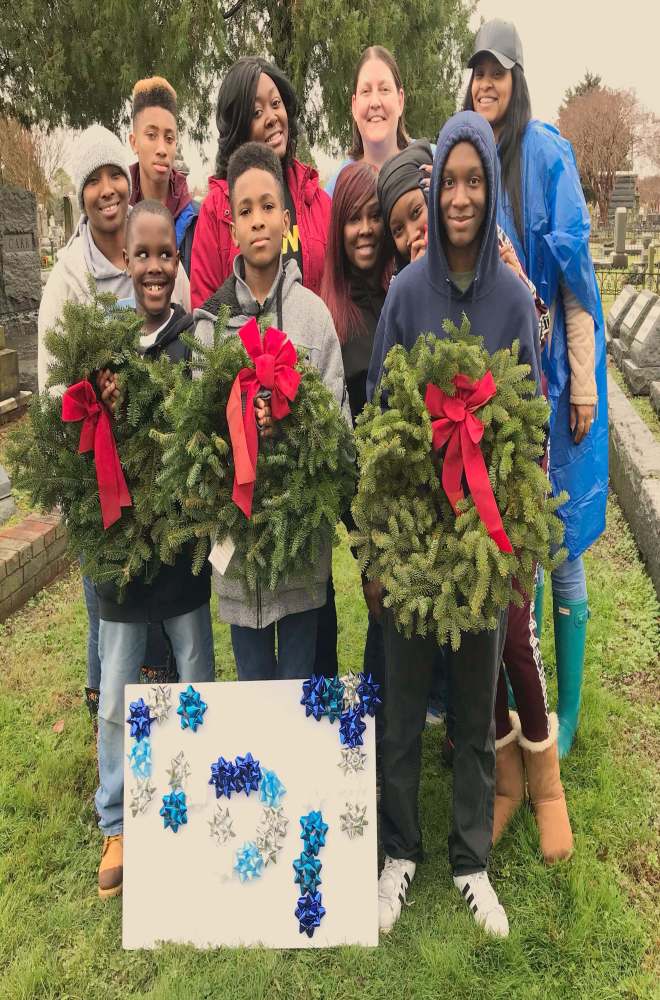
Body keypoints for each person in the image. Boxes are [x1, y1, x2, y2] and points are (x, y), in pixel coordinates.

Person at [366, 111, 542, 938]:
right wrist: (376, 547)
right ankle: (398, 852)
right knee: (402, 710)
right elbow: (379, 425)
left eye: (476, 181)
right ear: (432, 197)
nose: (462, 198)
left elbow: (530, 427)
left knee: (474, 708)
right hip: (410, 549)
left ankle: (471, 859)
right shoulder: (405, 295)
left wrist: (517, 552)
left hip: (481, 551)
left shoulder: (512, 301)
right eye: (450, 185)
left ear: (491, 190)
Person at [464, 19, 608, 758]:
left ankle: (569, 715)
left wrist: (581, 384)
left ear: (517, 78)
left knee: (564, 545)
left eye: (499, 71)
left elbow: (578, 285)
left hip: (552, 382)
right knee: (510, 546)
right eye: (477, 71)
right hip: (493, 396)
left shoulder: (546, 155)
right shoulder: (469, 163)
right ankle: (523, 701)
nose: (486, 83)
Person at [37, 125, 191, 723]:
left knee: (160, 602)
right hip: (96, 461)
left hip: (152, 466)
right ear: (81, 195)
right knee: (112, 604)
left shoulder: (150, 254)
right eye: (93, 180)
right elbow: (56, 379)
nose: (107, 189)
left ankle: (164, 712)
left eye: (114, 177)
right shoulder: (67, 278)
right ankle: (112, 712)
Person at [193, 142, 351, 680]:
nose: (257, 220)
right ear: (230, 225)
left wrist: (294, 423)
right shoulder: (212, 325)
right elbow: (198, 438)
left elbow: (339, 430)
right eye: (244, 210)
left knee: (298, 689)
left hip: (302, 553)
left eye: (267, 207)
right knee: (256, 690)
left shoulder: (314, 317)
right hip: (239, 559)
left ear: (286, 220)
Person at [95, 201, 215, 899]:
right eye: (141, 255)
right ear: (125, 262)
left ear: (177, 260)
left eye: (165, 255)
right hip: (121, 552)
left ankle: (195, 788)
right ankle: (117, 817)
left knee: (194, 670)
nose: (153, 268)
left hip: (181, 555)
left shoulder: (193, 337)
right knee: (116, 691)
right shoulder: (104, 346)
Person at [190, 57, 331, 310]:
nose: (272, 117)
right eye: (256, 112)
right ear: (238, 128)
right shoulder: (215, 211)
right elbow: (206, 313)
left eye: (276, 104)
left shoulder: (318, 202)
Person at [129, 77, 199, 276]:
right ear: (134, 142)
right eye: (151, 135)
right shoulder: (119, 216)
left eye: (169, 138)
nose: (162, 149)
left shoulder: (198, 220)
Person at [325, 46, 410, 197]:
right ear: (354, 106)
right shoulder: (337, 189)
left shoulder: (435, 163)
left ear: (400, 100)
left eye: (384, 89)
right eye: (366, 91)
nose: (375, 102)